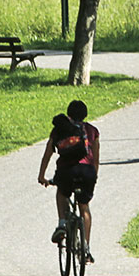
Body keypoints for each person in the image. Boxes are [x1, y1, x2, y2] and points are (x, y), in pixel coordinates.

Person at [37, 99, 100, 264]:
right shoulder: (92, 131)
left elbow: (47, 154)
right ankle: (85, 249)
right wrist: (93, 176)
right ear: (85, 114)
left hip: (66, 171)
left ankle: (62, 224)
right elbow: (95, 159)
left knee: (62, 192)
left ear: (68, 113)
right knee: (84, 206)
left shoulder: (60, 129)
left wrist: (42, 176)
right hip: (87, 172)